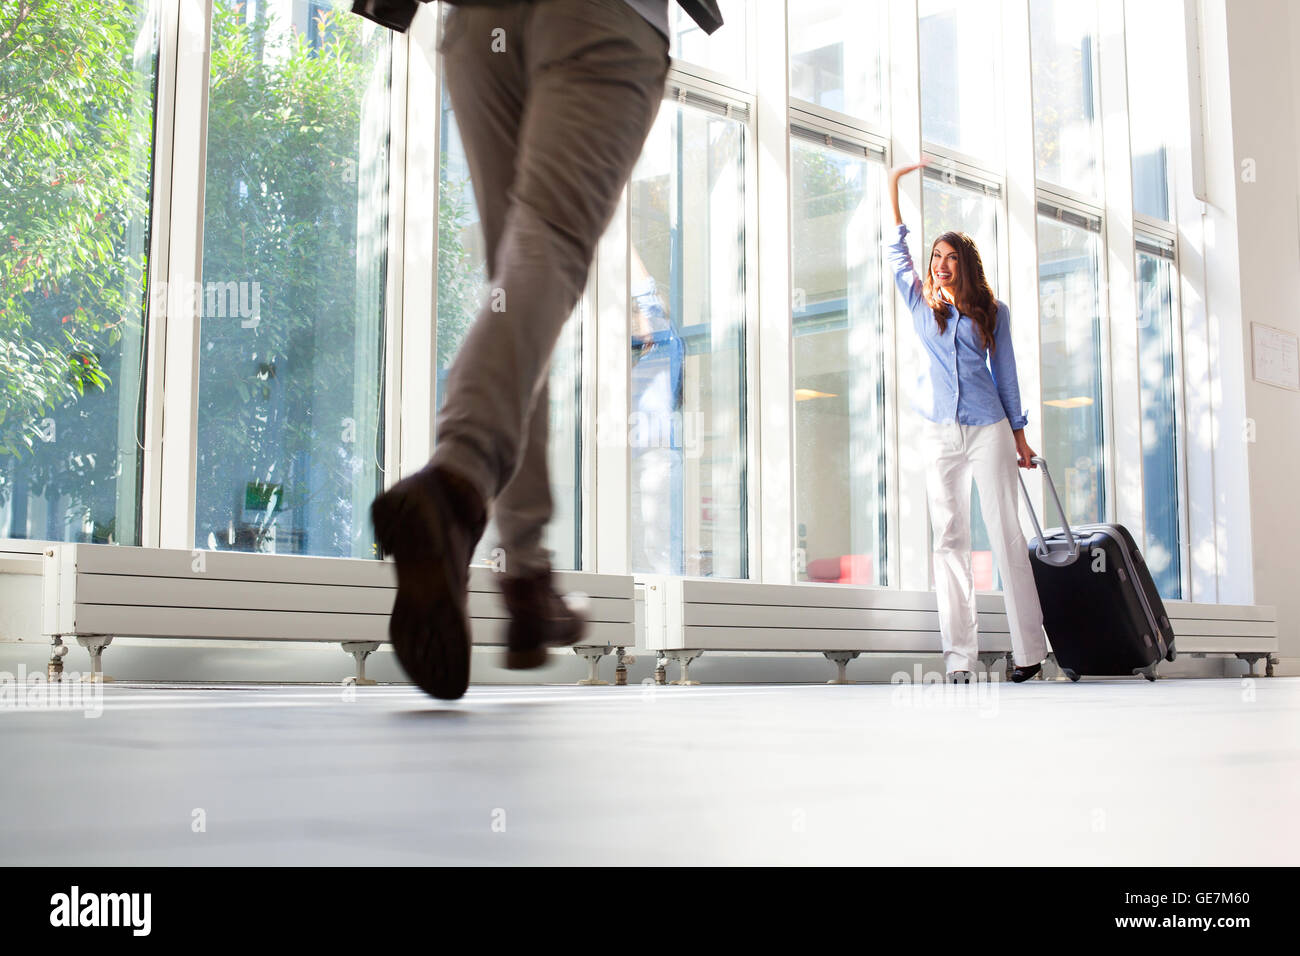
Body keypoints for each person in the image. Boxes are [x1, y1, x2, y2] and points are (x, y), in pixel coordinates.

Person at [369, 0, 686, 701]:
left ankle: (524, 572)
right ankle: (459, 479)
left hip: (479, 22)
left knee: (519, 280)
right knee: (546, 247)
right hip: (601, 15)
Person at [886, 160, 1048, 683]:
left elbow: (1008, 376)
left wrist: (1020, 438)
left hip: (989, 429)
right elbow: (895, 255)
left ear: (966, 265)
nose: (940, 265)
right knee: (949, 538)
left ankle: (1030, 653)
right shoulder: (920, 305)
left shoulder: (991, 312)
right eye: (936, 256)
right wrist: (893, 188)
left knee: (1005, 533)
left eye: (950, 258)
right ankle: (960, 659)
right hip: (939, 432)